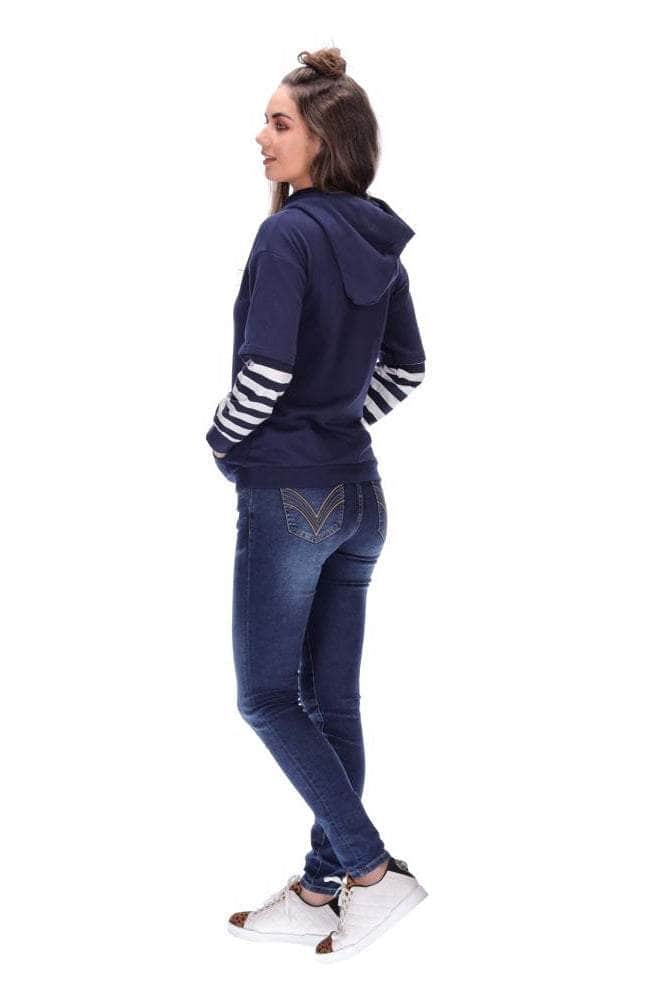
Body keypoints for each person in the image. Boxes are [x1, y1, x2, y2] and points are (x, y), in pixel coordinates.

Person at [205, 46, 428, 962]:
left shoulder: (287, 236)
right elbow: (406, 370)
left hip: (290, 495)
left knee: (266, 697)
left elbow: (264, 372)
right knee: (330, 704)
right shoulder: (376, 238)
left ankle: (369, 873)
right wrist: (337, 421)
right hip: (359, 495)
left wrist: (225, 440)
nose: (260, 138)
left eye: (279, 123)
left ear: (323, 140)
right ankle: (317, 889)